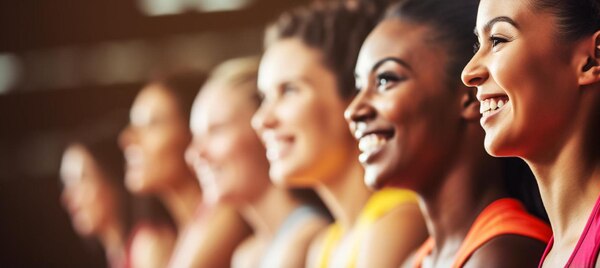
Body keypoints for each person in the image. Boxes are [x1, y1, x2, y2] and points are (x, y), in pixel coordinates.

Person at [344, 0, 553, 267]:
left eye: (385, 80)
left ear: (469, 97)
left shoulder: (504, 254)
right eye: (359, 86)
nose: (354, 110)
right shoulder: (417, 260)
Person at [251, 2, 427, 267]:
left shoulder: (396, 222)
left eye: (289, 91)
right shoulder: (327, 244)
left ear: (355, 99)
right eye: (265, 97)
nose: (262, 120)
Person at [462, 0, 600, 266]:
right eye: (477, 45)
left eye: (497, 40)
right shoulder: (553, 255)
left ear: (593, 58)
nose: (468, 73)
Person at [186, 56, 329, 268]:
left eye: (216, 130)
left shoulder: (305, 239)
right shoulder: (247, 254)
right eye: (195, 136)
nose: (195, 154)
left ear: (267, 128)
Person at [119, 71, 250, 267]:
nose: (127, 139)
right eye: (133, 125)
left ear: (193, 132)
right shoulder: (181, 231)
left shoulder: (225, 211)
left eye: (151, 124)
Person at [60, 135, 129, 268]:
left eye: (80, 179)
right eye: (65, 184)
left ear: (113, 180)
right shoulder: (118, 256)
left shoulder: (147, 247)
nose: (67, 196)